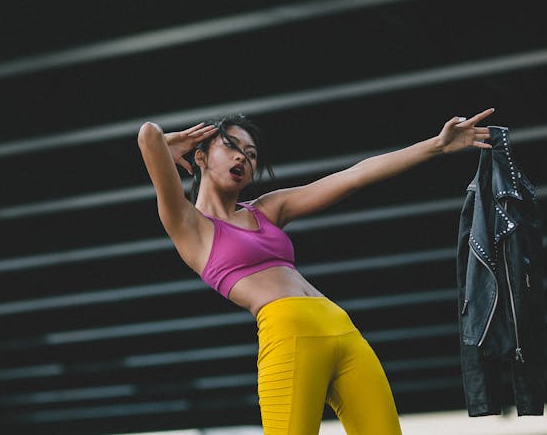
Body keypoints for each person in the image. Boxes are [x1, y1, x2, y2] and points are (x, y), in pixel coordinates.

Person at [138, 108, 494, 435]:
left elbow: (354, 176)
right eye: (231, 146)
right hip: (288, 335)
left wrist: (435, 145)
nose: (242, 158)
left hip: (343, 330)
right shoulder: (189, 225)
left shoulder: (267, 209)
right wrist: (166, 146)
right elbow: (148, 133)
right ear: (199, 156)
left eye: (250, 153)